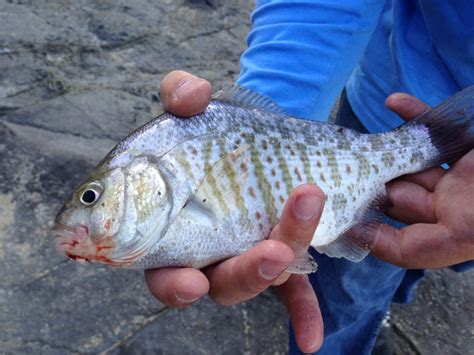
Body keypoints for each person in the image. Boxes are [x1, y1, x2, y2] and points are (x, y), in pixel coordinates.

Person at [145, 1, 474, 353]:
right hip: (387, 103)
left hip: (418, 126)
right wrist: (272, 108)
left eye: (91, 196)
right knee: (353, 284)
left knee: (418, 260)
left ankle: (384, 305)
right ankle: (362, 321)